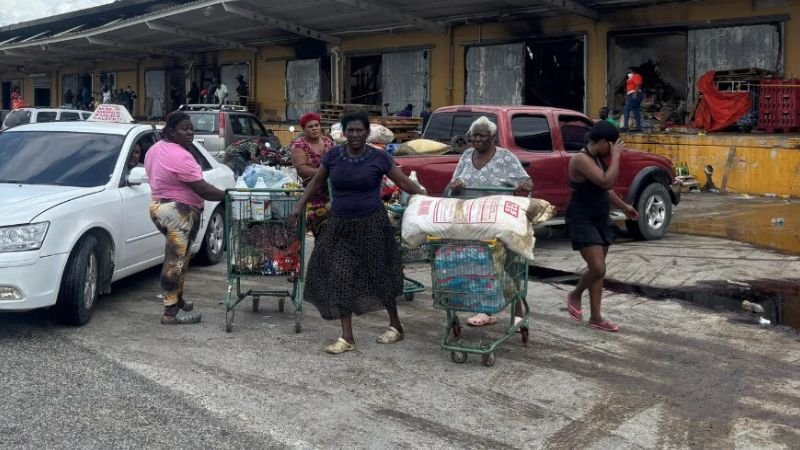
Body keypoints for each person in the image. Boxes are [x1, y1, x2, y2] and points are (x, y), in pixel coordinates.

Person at [289, 110, 426, 354]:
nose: (354, 134)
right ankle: (347, 337)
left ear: (366, 133)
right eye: (350, 130)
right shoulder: (333, 156)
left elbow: (403, 182)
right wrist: (299, 206)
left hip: (372, 224)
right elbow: (317, 182)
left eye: (359, 130)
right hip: (340, 224)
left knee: (380, 274)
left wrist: (428, 199)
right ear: (344, 133)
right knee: (339, 275)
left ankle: (395, 325)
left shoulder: (378, 157)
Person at [447, 116, 533, 327]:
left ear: (493, 138)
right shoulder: (467, 155)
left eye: (482, 135)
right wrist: (456, 184)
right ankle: (484, 310)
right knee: (477, 267)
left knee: (506, 268)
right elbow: (454, 181)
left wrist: (525, 185)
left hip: (497, 221)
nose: (476, 139)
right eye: (473, 135)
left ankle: (518, 312)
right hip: (472, 221)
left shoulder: (505, 157)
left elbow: (525, 181)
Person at [144, 112, 226, 325]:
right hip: (178, 211)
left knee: (181, 259)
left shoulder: (155, 149)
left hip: (159, 206)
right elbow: (202, 189)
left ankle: (177, 300)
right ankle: (170, 313)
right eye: (184, 128)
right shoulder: (179, 155)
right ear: (171, 131)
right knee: (175, 262)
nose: (189, 132)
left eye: (191, 128)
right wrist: (229, 196)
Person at [565, 121, 639, 332]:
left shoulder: (596, 159)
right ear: (605, 143)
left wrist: (625, 207)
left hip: (599, 216)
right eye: (612, 146)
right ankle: (575, 294)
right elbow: (606, 181)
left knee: (598, 272)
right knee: (598, 267)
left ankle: (596, 317)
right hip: (582, 217)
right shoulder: (580, 159)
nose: (613, 151)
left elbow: (605, 191)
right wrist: (616, 157)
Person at [291, 112, 335, 237]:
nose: (315, 128)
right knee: (320, 230)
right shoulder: (299, 144)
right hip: (313, 195)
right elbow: (302, 169)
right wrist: (326, 172)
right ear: (304, 129)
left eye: (317, 125)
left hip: (331, 193)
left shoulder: (328, 141)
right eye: (310, 127)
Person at [622, 66, 643, 131]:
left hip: (634, 94)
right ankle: (638, 127)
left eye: (630, 71)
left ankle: (625, 126)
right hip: (631, 94)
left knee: (626, 109)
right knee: (636, 111)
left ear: (633, 71)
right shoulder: (630, 78)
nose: (628, 72)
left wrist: (635, 93)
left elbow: (638, 84)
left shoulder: (636, 76)